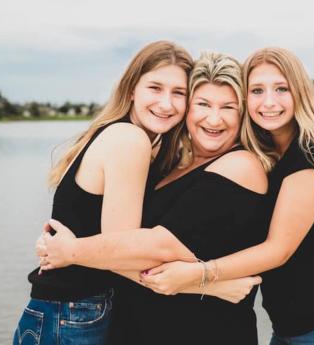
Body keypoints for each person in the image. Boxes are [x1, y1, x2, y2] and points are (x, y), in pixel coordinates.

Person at [140, 47, 314, 345]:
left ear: (300, 93)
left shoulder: (308, 154)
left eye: (281, 89)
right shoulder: (264, 152)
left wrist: (197, 275)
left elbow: (278, 250)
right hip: (288, 326)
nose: (269, 102)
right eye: (257, 90)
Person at [36, 52, 267, 345]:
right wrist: (210, 285)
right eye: (203, 104)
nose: (213, 118)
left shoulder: (241, 165)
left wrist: (70, 251)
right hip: (102, 321)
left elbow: (160, 246)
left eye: (228, 107)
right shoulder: (165, 161)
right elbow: (122, 243)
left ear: (243, 113)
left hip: (205, 332)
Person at [13, 40, 195, 345]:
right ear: (132, 89)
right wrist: (212, 282)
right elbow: (122, 253)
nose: (166, 103)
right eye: (155, 88)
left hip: (69, 311)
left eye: (179, 93)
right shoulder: (129, 139)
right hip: (73, 313)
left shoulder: (148, 143)